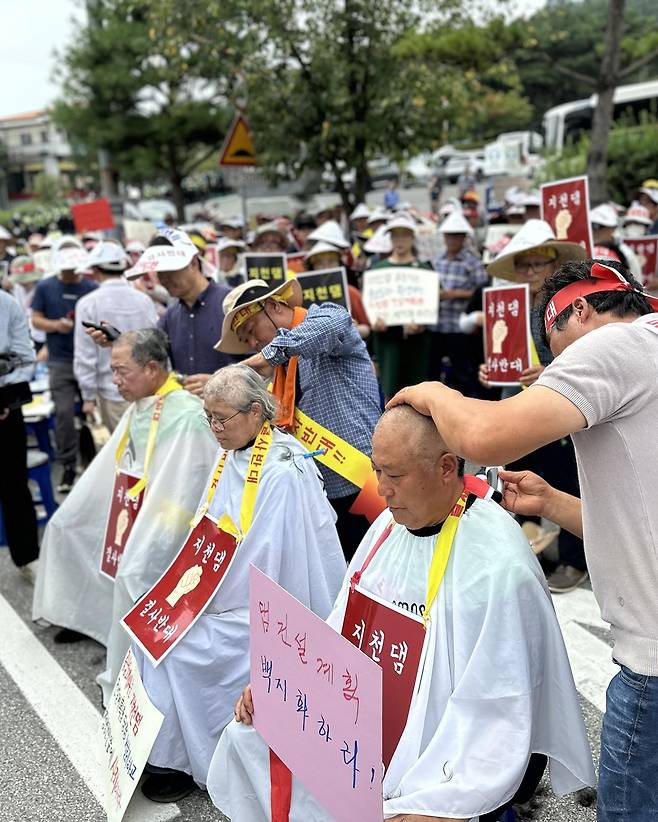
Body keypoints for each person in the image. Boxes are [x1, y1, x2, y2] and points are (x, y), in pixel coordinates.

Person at [208, 405, 595, 821]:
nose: (382, 490)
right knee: (248, 735)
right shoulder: (388, 527)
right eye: (377, 471)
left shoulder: (499, 562)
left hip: (447, 746)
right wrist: (282, 683)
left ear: (447, 467)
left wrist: (446, 802)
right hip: (365, 726)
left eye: (395, 475)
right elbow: (340, 629)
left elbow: (499, 706)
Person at [388, 258, 658, 822]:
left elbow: (484, 438)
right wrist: (553, 503)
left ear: (577, 309)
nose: (563, 367)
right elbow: (640, 523)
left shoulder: (616, 346)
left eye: (558, 352)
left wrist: (435, 393)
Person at [135, 365, 346, 802]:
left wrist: (200, 602)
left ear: (255, 412)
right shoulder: (232, 452)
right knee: (150, 624)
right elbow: (209, 528)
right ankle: (159, 750)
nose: (214, 428)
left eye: (222, 418)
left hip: (269, 604)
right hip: (222, 589)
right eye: (208, 417)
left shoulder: (284, 469)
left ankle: (185, 762)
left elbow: (267, 560)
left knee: (180, 646)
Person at [32, 328, 217, 704]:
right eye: (112, 371)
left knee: (133, 568)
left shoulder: (186, 415)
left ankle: (128, 663)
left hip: (170, 520)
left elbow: (185, 488)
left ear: (152, 369)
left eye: (121, 371)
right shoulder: (144, 402)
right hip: (132, 506)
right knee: (69, 526)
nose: (114, 381)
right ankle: (84, 618)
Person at [215, 277, 381, 561]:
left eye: (252, 331)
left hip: (365, 482)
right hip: (319, 494)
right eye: (247, 341)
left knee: (379, 572)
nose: (254, 343)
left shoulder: (324, 319)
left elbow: (333, 323)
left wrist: (258, 360)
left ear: (272, 306)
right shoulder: (277, 370)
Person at [480, 218, 588, 591]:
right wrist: (491, 370)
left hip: (566, 409)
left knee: (570, 480)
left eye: (537, 264)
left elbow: (589, 358)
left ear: (555, 264)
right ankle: (534, 548)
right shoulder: (511, 307)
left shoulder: (576, 306)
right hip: (523, 411)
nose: (530, 272)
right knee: (524, 477)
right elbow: (505, 358)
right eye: (523, 266)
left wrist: (549, 370)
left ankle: (577, 559)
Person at [125, 226, 234, 396]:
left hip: (233, 413)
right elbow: (149, 350)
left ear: (193, 263)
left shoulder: (231, 303)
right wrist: (114, 339)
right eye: (159, 271)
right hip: (189, 412)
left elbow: (262, 362)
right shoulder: (171, 316)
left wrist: (222, 381)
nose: (163, 278)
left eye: (170, 269)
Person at [31, 236, 97, 492]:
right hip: (60, 360)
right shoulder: (46, 287)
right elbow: (36, 319)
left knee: (92, 413)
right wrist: (56, 326)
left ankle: (92, 462)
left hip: (88, 359)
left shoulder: (91, 288)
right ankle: (68, 465)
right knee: (64, 414)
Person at [73, 241, 158, 432]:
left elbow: (85, 355)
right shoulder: (143, 300)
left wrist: (88, 396)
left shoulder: (87, 304)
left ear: (95, 270)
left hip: (111, 390)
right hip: (147, 389)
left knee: (123, 453)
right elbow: (155, 344)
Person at [370, 215, 434, 398]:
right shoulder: (378, 269)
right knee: (390, 390)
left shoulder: (423, 269)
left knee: (419, 391)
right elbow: (372, 307)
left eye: (404, 235)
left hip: (417, 342)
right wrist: (375, 321)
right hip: (387, 341)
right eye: (395, 236)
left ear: (412, 237)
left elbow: (429, 305)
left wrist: (422, 322)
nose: (400, 240)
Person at [0, 289, 39, 576]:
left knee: (14, 484)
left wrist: (6, 395)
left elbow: (26, 359)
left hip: (4, 406)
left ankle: (27, 557)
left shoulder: (7, 304)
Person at [431, 210, 488, 395]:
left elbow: (482, 293)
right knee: (432, 371)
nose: (453, 240)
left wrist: (456, 294)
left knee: (463, 372)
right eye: (449, 236)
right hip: (436, 325)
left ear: (463, 238)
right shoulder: (436, 260)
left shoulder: (472, 262)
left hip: (460, 326)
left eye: (457, 236)